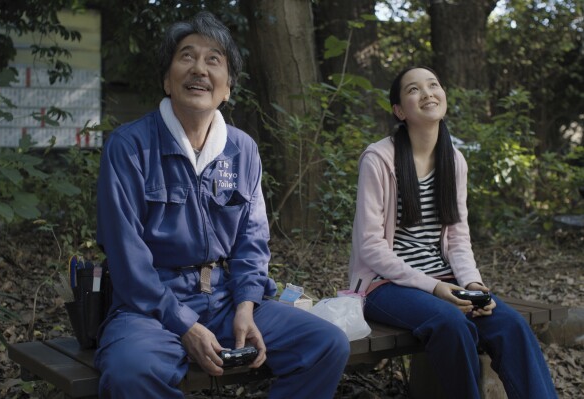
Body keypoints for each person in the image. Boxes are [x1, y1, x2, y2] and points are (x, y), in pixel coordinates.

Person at [95, 11, 349, 399]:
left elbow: (252, 242)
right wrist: (184, 325)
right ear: (167, 79)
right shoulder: (130, 146)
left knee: (327, 344)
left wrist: (246, 305)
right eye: (186, 57)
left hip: (226, 299)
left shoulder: (242, 149)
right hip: (149, 307)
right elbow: (127, 259)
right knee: (130, 371)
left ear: (228, 87)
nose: (199, 69)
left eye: (213, 59)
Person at [348, 66, 557, 398]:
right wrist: (435, 288)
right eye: (414, 89)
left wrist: (472, 283)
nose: (428, 93)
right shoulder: (378, 159)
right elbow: (370, 246)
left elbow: (458, 235)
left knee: (511, 324)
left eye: (434, 85)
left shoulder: (454, 160)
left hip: (445, 280)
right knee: (450, 323)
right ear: (400, 111)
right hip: (383, 285)